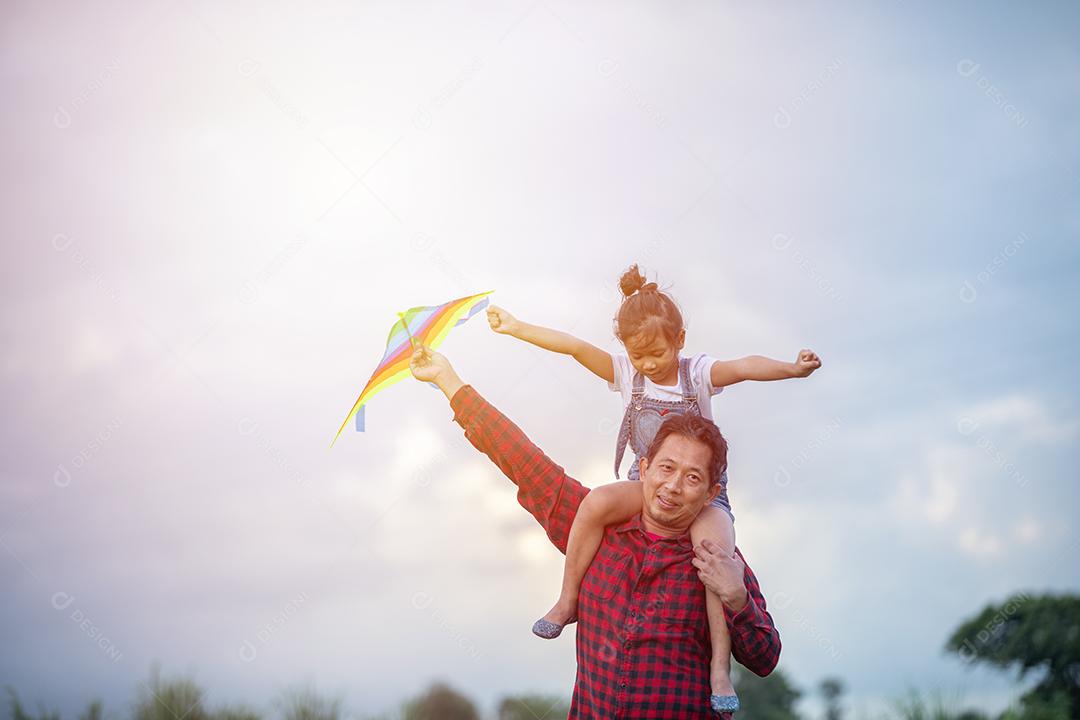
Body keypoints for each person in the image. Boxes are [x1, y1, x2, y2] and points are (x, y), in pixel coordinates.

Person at [486, 263, 820, 713]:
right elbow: (573, 347)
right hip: (641, 486)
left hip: (708, 499)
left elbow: (743, 368)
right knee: (595, 502)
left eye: (657, 354)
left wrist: (791, 369)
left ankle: (719, 667)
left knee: (713, 557)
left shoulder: (696, 373)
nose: (648, 364)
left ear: (680, 340)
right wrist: (517, 328)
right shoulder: (628, 374)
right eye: (637, 356)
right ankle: (566, 602)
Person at [408, 344, 781, 719]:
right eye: (666, 469)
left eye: (692, 477)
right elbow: (523, 460)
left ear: (710, 493)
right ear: (646, 467)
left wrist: (737, 598)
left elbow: (764, 658)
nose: (673, 486)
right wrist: (448, 380)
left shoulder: (718, 559)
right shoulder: (595, 528)